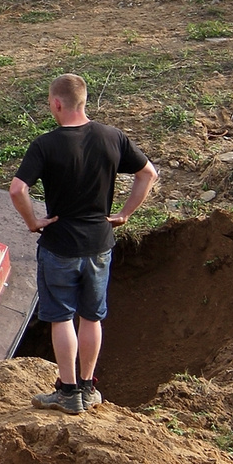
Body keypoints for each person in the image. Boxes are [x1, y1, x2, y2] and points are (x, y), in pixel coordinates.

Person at [10, 74, 157, 414]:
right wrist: (124, 213)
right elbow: (147, 173)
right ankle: (89, 387)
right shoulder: (113, 137)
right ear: (83, 101)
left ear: (56, 103)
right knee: (91, 317)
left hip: (60, 244)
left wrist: (33, 222)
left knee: (61, 317)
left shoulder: (45, 145)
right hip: (99, 243)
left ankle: (68, 390)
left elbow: (18, 189)